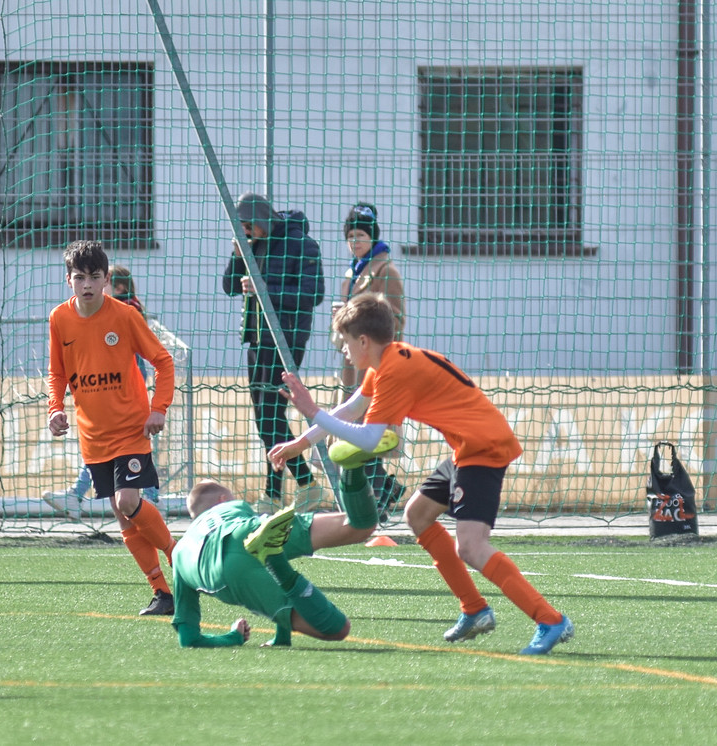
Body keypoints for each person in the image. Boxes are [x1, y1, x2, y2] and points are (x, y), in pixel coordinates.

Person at [268, 292, 574, 655]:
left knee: (471, 546)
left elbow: (372, 437)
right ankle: (474, 609)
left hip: (483, 449)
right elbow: (353, 408)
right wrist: (299, 444)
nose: (344, 351)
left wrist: (313, 411)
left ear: (363, 340)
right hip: (469, 446)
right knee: (417, 513)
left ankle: (549, 619)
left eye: (346, 342)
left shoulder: (394, 371)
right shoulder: (387, 361)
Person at [47, 240, 178, 616]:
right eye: (79, 277)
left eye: (94, 277)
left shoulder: (124, 317)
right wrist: (55, 408)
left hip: (130, 430)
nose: (87, 284)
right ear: (68, 280)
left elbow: (163, 361)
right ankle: (162, 593)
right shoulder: (59, 319)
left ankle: (179, 557)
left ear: (106, 280)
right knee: (123, 518)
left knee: (127, 502)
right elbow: (57, 373)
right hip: (93, 436)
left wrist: (158, 408)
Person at [169, 467, 380, 648]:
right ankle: (352, 466)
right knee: (358, 525)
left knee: (336, 629)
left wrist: (234, 636)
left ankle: (278, 564)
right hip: (247, 531)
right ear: (222, 500)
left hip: (221, 573)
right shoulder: (231, 507)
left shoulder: (179, 552)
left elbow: (189, 639)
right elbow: (263, 548)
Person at [222, 192, 328, 510]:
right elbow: (229, 286)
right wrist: (239, 255)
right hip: (256, 339)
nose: (246, 232)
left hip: (286, 340)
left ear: (262, 220)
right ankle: (300, 486)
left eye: (248, 226)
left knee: (270, 415)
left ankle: (279, 492)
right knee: (265, 417)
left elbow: (314, 293)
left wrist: (266, 289)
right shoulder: (253, 245)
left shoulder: (302, 244)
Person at [41, 264, 157, 515]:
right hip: (105, 390)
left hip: (124, 391)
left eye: (99, 280)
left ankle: (151, 499)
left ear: (117, 287)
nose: (91, 286)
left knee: (128, 446)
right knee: (107, 446)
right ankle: (79, 494)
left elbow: (155, 359)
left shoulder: (126, 311)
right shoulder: (67, 316)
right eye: (82, 278)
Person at [336, 203, 407, 519]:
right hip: (354, 360)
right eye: (351, 235)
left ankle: (381, 492)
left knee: (369, 430)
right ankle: (384, 489)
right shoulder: (353, 270)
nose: (355, 241)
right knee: (357, 430)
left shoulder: (385, 271)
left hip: (377, 363)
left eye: (361, 234)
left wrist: (356, 317)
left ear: (373, 236)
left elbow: (396, 319)